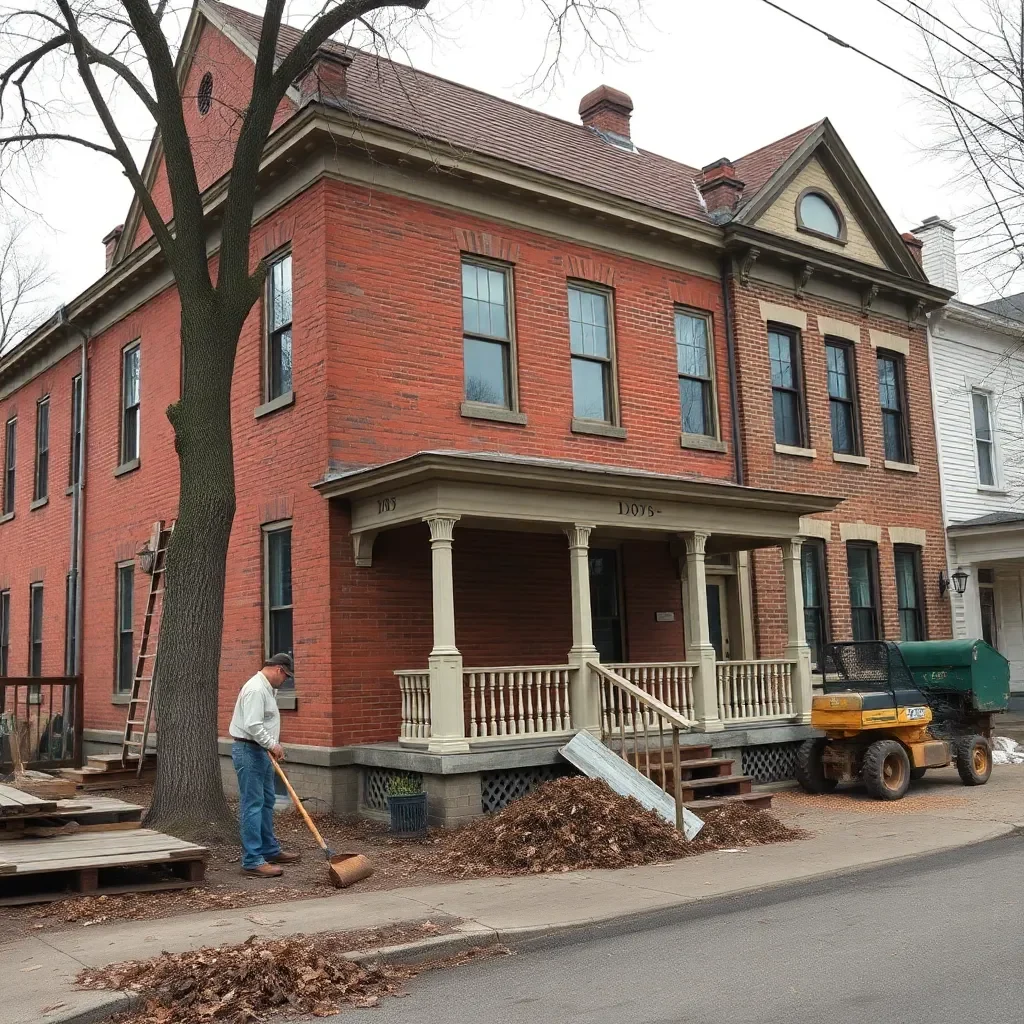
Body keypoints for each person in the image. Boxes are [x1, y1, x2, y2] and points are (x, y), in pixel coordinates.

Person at [229, 653, 300, 877]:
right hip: (249, 751)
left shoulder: (265, 688)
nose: (285, 681)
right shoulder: (256, 689)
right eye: (286, 676)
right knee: (253, 804)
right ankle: (252, 860)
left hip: (261, 752)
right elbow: (252, 725)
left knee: (267, 801)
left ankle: (269, 849)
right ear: (279, 670)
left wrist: (270, 746)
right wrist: (272, 744)